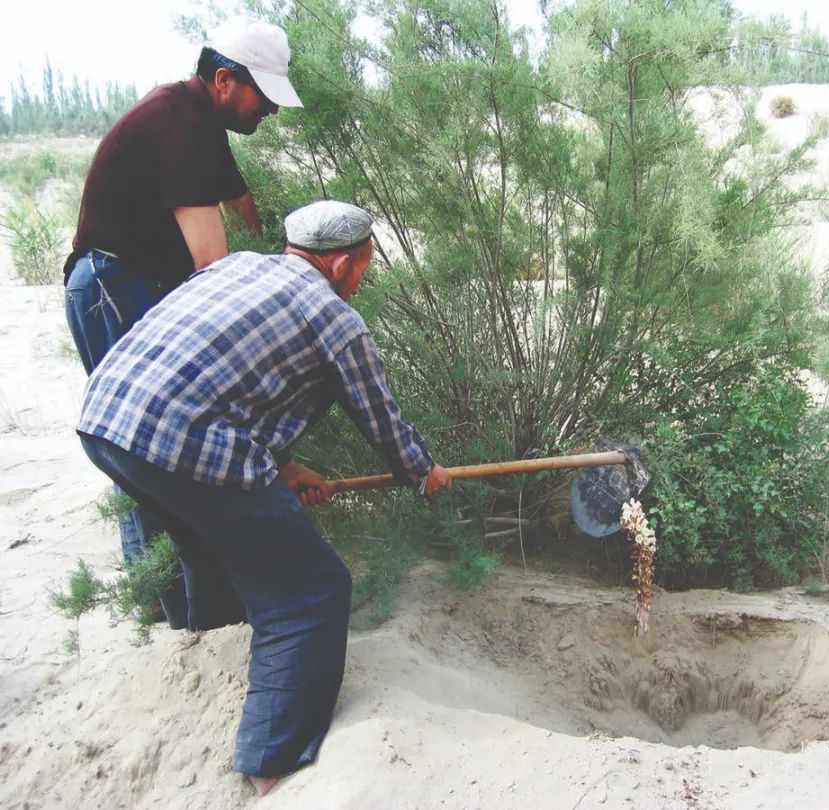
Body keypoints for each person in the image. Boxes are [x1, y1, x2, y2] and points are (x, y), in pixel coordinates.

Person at [76, 200, 452, 795]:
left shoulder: (236, 268)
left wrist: (284, 466)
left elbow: (217, 378)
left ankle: (213, 667)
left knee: (209, 549)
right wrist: (423, 471)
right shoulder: (334, 317)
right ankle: (271, 766)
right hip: (177, 438)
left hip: (106, 420)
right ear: (339, 266)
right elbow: (379, 418)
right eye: (363, 268)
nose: (362, 280)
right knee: (311, 592)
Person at [62, 17, 304, 617]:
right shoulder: (179, 127)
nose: (270, 112)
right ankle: (178, 614)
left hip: (130, 285)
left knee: (148, 449)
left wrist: (284, 246)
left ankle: (178, 606)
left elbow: (240, 202)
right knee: (148, 449)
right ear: (225, 79)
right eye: (264, 97)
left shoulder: (200, 118)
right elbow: (213, 270)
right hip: (114, 288)